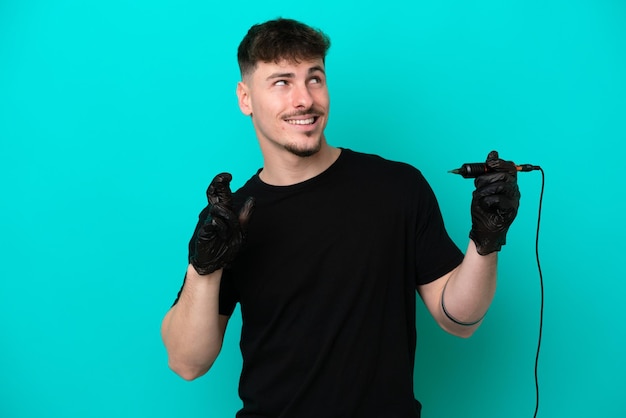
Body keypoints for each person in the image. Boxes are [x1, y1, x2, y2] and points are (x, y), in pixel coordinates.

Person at [161, 18, 521, 418]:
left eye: (314, 78)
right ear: (245, 98)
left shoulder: (397, 187)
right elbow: (187, 363)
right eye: (282, 82)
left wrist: (486, 241)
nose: (304, 100)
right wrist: (203, 268)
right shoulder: (232, 218)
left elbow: (460, 321)